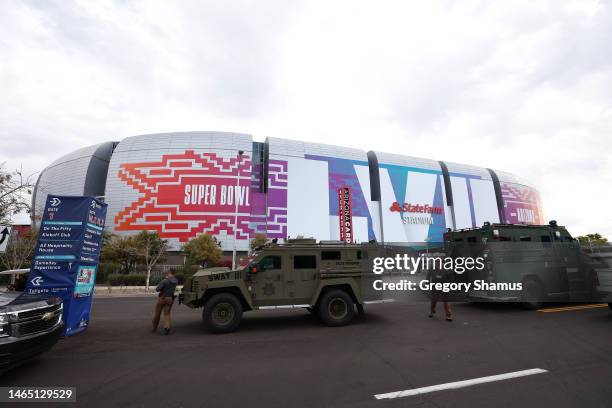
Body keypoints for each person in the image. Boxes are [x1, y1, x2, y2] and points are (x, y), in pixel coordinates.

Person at [152, 270, 178, 335]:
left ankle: (154, 327)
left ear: (169, 273)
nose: (166, 275)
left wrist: (159, 286)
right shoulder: (175, 281)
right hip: (170, 299)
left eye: (166, 274)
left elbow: (158, 289)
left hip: (162, 298)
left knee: (157, 313)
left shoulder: (164, 281)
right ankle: (167, 327)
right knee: (167, 314)